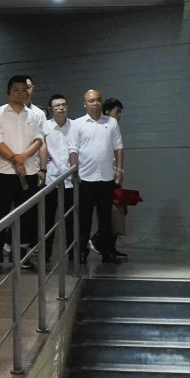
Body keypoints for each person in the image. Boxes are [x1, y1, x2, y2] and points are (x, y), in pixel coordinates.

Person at [0, 74, 45, 271]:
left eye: (23, 90)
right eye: (16, 90)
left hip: (29, 172)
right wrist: (14, 159)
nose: (20, 93)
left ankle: (21, 256)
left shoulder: (35, 115)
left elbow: (38, 140)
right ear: (8, 92)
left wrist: (22, 158)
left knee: (26, 217)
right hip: (5, 174)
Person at [70, 90, 125, 264]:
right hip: (85, 178)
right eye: (91, 101)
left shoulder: (111, 123)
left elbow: (118, 147)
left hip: (107, 178)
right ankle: (82, 252)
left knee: (105, 218)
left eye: (98, 100)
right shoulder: (77, 124)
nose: (95, 103)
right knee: (84, 218)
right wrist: (74, 172)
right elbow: (73, 150)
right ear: (85, 104)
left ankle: (106, 252)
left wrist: (119, 170)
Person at [40, 92, 77, 265]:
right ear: (51, 109)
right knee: (48, 219)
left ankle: (73, 254)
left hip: (71, 180)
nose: (61, 108)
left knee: (71, 219)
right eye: (57, 106)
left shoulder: (75, 126)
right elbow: (38, 146)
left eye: (63, 105)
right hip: (51, 180)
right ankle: (45, 255)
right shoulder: (45, 127)